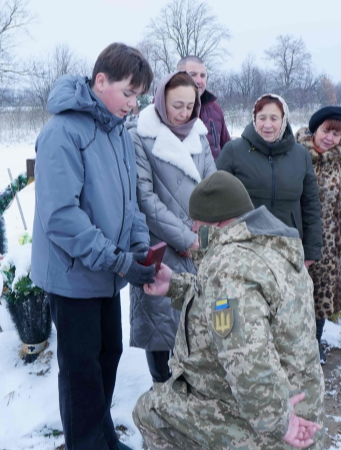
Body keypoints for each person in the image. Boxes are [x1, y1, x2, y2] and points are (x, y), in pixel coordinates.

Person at [133, 171, 324, 450]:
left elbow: (248, 359)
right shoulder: (267, 246)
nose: (193, 230)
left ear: (215, 222)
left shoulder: (229, 266)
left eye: (196, 223)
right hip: (297, 400)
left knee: (149, 411)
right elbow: (234, 306)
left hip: (276, 421)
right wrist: (174, 285)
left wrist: (279, 423)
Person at [30, 43, 154, 450]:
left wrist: (137, 246)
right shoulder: (62, 132)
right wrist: (118, 260)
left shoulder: (117, 131)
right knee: (81, 372)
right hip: (72, 276)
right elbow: (61, 216)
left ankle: (103, 438)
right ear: (101, 81)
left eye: (138, 97)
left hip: (105, 273)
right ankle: (85, 443)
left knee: (108, 357)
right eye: (127, 93)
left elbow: (129, 200)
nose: (133, 105)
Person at [126, 71, 216, 385]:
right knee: (161, 330)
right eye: (177, 105)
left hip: (198, 247)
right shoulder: (141, 136)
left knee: (196, 329)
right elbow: (145, 198)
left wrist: (202, 237)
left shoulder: (200, 136)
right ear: (161, 100)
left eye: (190, 106)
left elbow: (213, 189)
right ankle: (161, 400)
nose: (184, 113)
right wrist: (186, 238)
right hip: (160, 246)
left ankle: (191, 404)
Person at [217, 94, 323, 267]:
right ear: (254, 119)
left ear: (284, 120)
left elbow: (311, 205)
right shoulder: (233, 151)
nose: (267, 125)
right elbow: (215, 199)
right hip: (243, 247)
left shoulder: (300, 155)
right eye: (262, 118)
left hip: (287, 247)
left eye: (274, 118)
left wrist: (310, 252)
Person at [295, 107, 341, 364]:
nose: (330, 138)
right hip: (294, 237)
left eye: (337, 134)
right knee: (291, 292)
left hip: (328, 243)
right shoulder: (294, 152)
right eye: (326, 130)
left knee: (320, 294)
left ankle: (315, 343)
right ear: (315, 128)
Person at [177, 55, 231, 160]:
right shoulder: (164, 109)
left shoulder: (215, 110)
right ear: (177, 76)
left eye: (202, 75)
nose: (199, 80)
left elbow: (228, 150)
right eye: (193, 75)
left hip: (213, 175)